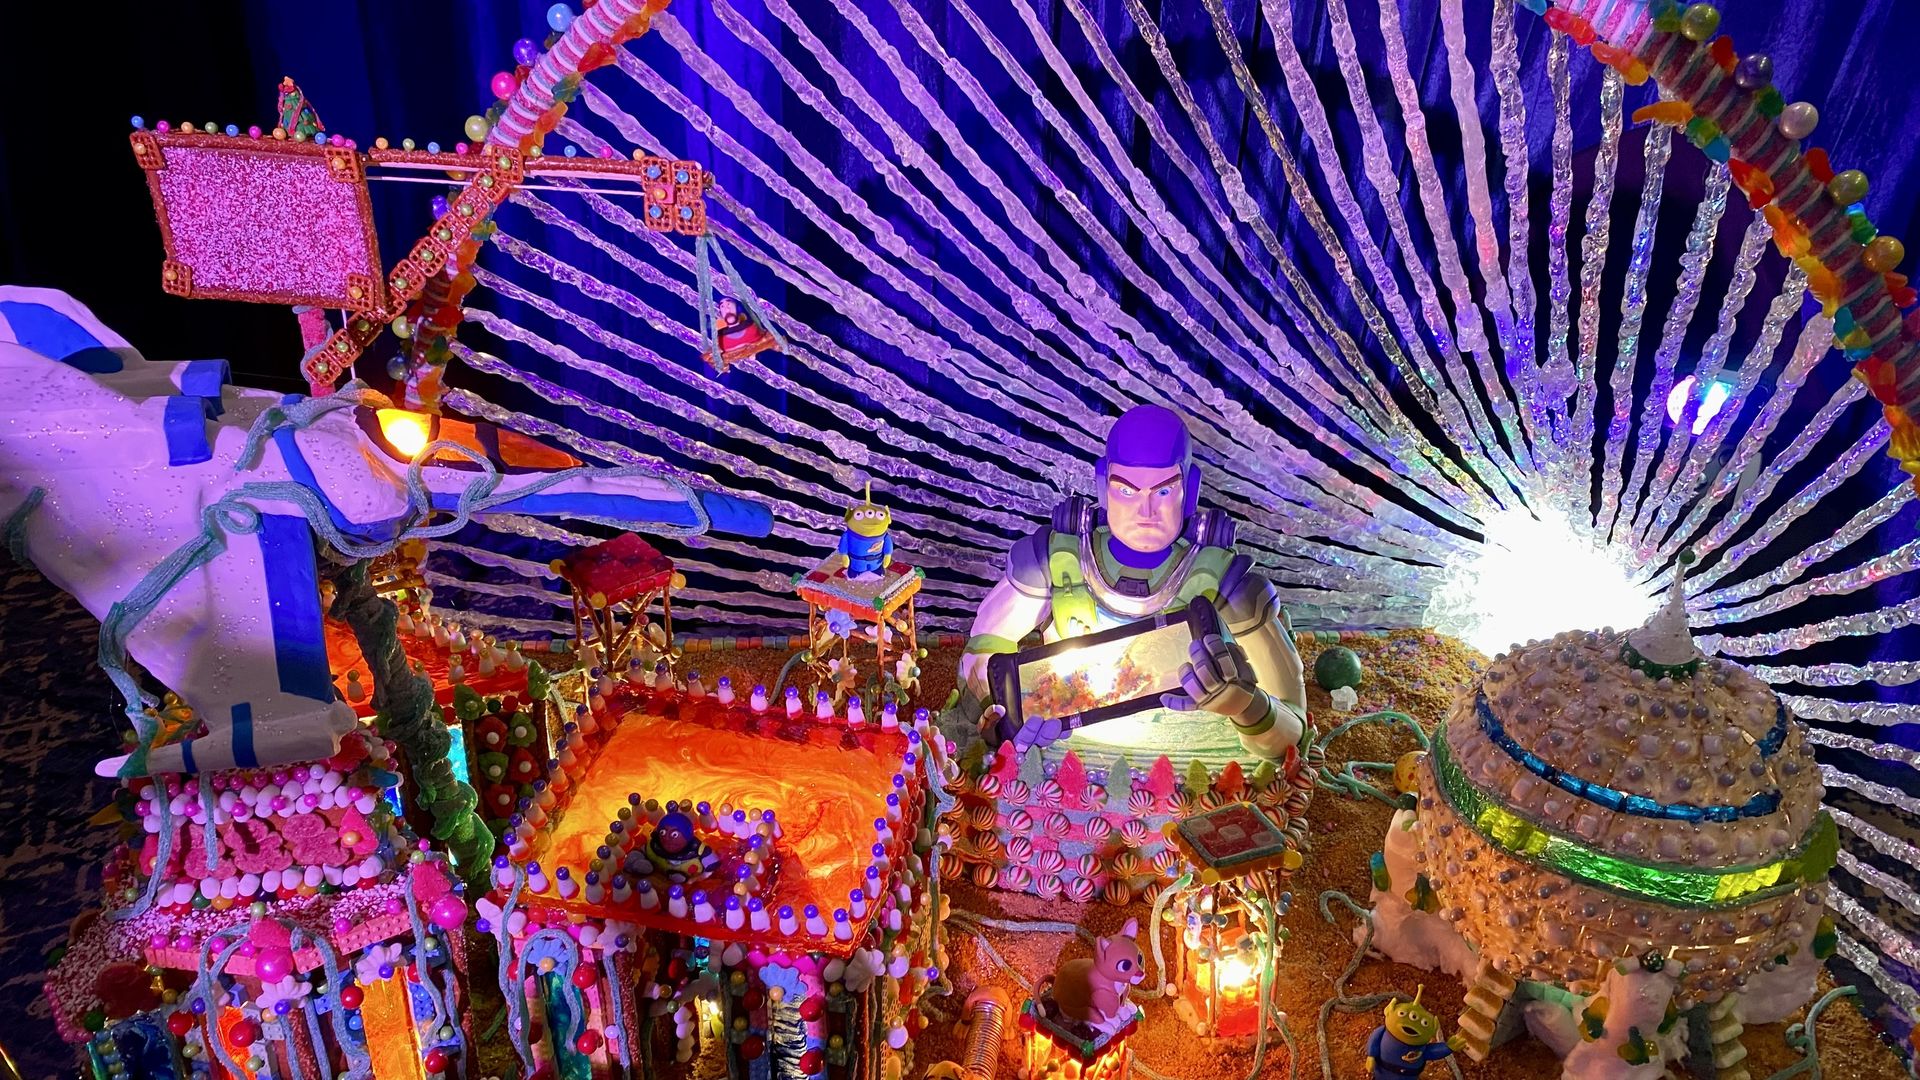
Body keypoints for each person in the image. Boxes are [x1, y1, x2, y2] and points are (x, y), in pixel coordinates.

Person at [956, 404, 1306, 760]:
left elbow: (1293, 732)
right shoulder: (1056, 561)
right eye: (1127, 491)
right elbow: (985, 648)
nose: (1146, 511)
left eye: (1164, 492)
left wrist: (1244, 704)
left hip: (1184, 756)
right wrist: (1000, 715)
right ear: (1102, 485)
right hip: (1069, 746)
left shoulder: (1226, 582)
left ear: (1192, 488)